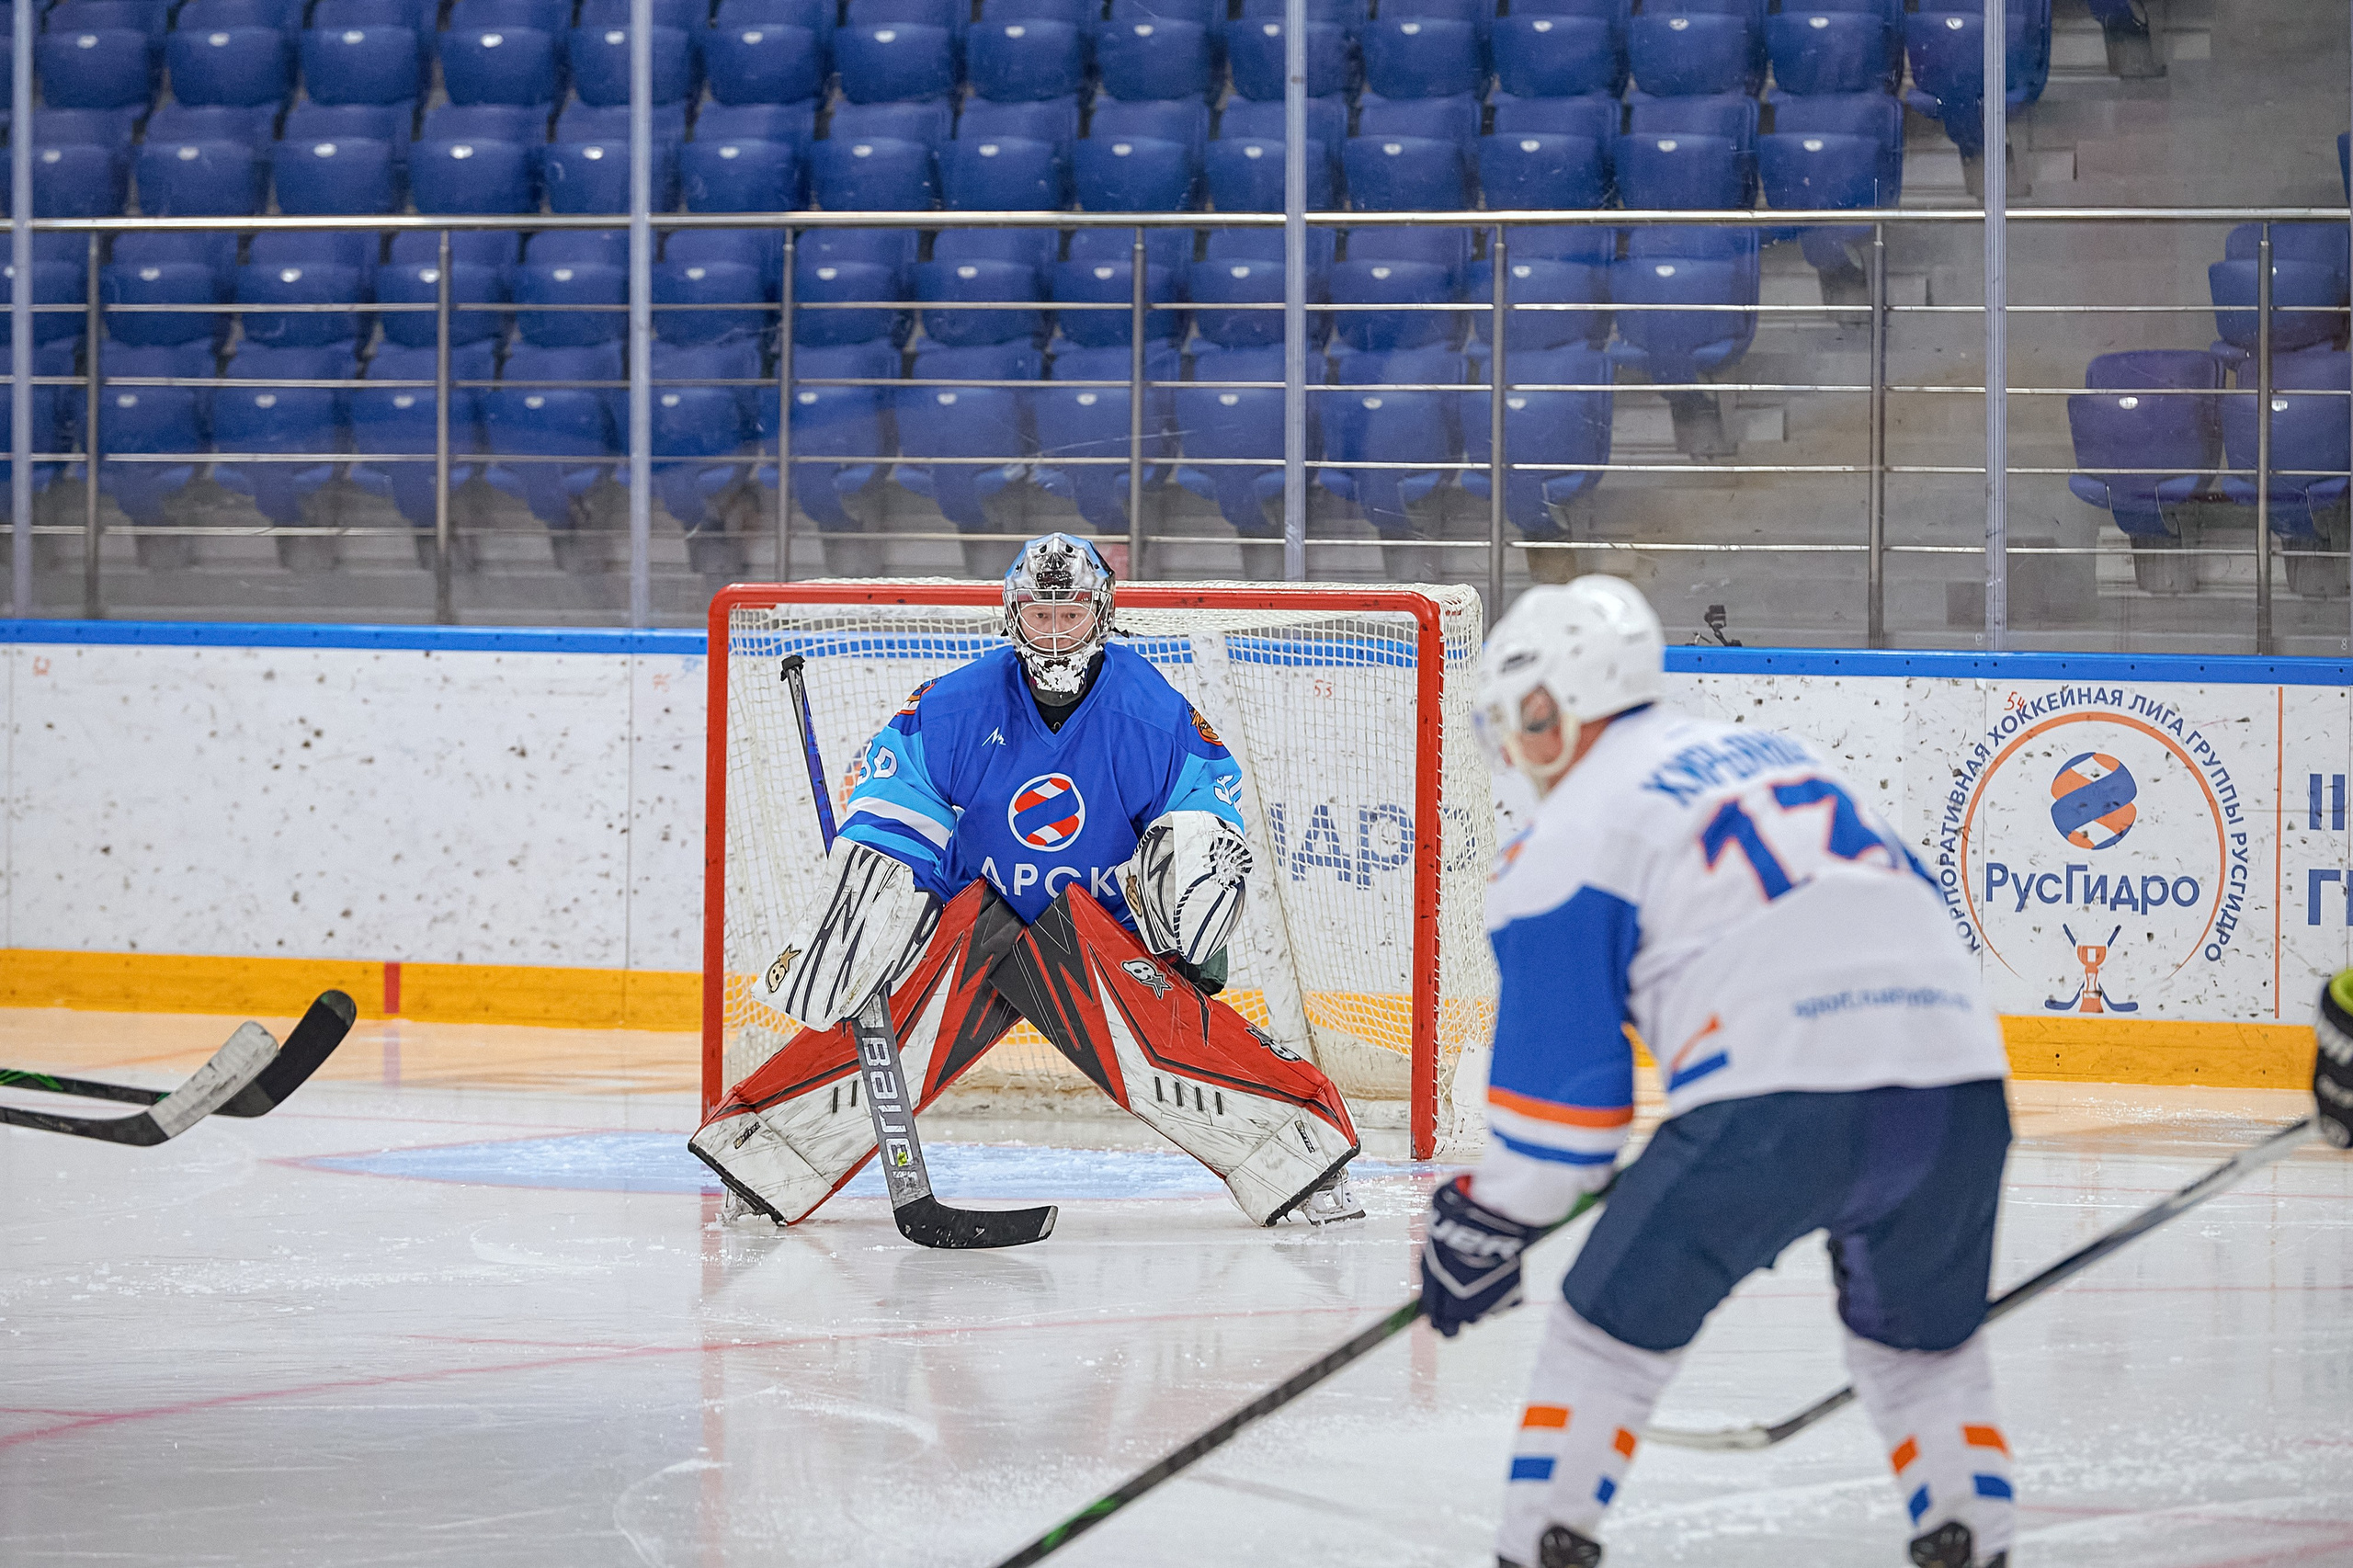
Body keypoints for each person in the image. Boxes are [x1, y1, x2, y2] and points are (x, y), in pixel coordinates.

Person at [1418, 576, 2017, 1568]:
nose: (1517, 752)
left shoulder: (1568, 834)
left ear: (1558, 704)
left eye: (1523, 721)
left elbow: (1565, 1125)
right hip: (1958, 1086)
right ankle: (1972, 1535)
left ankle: (1539, 1543)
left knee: (1601, 1338)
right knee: (1920, 1349)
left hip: (1771, 1101)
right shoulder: (1785, 754)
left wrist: (1489, 1219)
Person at [694, 533, 1365, 1230]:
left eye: (1068, 615)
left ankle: (1302, 1158)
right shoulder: (957, 705)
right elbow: (897, 801)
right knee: (894, 1032)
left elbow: (1205, 803)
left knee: (1169, 1042)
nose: (1052, 634)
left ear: (1101, 614)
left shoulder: (1150, 711)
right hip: (978, 915)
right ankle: (761, 1157)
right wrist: (873, 898)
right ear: (1012, 615)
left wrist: (1191, 888)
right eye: (1038, 616)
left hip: (1097, 926)